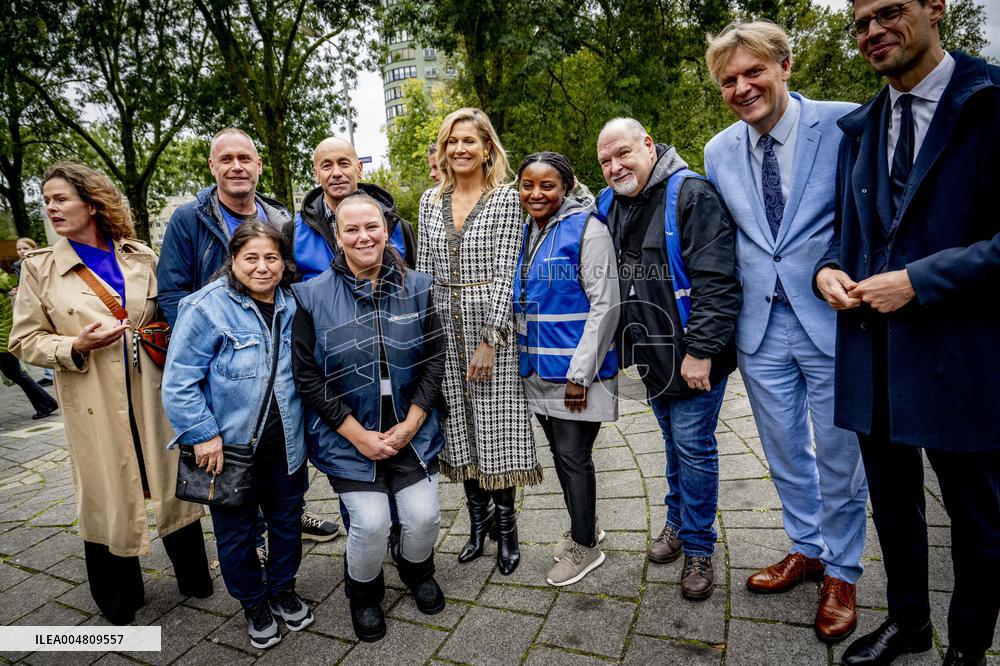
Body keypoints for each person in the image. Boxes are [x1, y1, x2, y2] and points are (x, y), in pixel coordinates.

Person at [814, 0, 1000, 663]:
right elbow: (844, 238)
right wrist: (827, 273)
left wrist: (923, 280)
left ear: (935, 8)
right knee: (893, 508)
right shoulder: (859, 127)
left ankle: (968, 649)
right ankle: (909, 624)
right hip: (872, 354)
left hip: (962, 354)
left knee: (978, 520)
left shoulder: (991, 100)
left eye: (889, 12)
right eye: (861, 23)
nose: (872, 32)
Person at [703, 21, 867, 642]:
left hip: (832, 317)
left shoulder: (845, 123)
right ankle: (807, 548)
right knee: (783, 453)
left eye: (753, 72)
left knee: (840, 456)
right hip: (760, 326)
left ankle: (844, 571)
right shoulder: (720, 151)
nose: (743, 88)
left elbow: (870, 212)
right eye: (729, 80)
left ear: (784, 66)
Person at [9, 162, 212, 625]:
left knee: (169, 477)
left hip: (153, 389)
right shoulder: (40, 269)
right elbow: (24, 340)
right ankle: (119, 596)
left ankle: (193, 576)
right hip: (94, 398)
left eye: (61, 198)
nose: (50, 208)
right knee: (107, 489)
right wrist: (74, 345)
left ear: (92, 203)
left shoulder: (139, 255)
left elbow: (170, 310)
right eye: (46, 200)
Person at [157, 126, 339, 544]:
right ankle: (250, 537)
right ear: (212, 166)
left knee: (282, 445)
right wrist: (193, 341)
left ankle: (292, 515)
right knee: (233, 453)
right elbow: (172, 290)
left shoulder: (278, 219)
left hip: (274, 346)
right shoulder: (190, 219)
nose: (236, 167)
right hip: (222, 354)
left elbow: (289, 279)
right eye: (226, 159)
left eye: (244, 159)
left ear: (258, 165)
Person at [292, 193, 447, 642]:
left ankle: (417, 569)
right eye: (352, 230)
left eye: (372, 227)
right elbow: (307, 376)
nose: (364, 237)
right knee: (372, 523)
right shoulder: (309, 295)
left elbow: (436, 358)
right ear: (337, 238)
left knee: (423, 518)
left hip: (410, 430)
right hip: (347, 435)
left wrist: (415, 421)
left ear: (387, 230)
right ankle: (364, 594)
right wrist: (358, 437)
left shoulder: (419, 286)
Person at [596, 118, 740, 600]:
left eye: (623, 153)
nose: (615, 167)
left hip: (694, 358)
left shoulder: (691, 194)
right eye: (605, 161)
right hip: (652, 360)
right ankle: (677, 524)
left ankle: (700, 547)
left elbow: (717, 282)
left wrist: (701, 352)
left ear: (649, 145)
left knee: (695, 448)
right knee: (675, 445)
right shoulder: (612, 204)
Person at [163, 221, 312, 650]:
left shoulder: (293, 304)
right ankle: (253, 603)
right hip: (227, 450)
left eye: (272, 258)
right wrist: (202, 434)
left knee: (286, 525)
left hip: (285, 446)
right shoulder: (205, 307)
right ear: (232, 261)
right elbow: (179, 382)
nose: (262, 267)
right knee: (237, 532)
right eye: (251, 258)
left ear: (284, 263)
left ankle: (283, 590)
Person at [418, 107, 540, 576]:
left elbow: (511, 274)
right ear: (444, 149)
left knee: (496, 428)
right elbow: (425, 272)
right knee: (458, 432)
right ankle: (477, 526)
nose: (460, 149)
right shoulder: (431, 200)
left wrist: (491, 338)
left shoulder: (507, 200)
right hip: (444, 330)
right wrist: (427, 336)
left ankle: (507, 530)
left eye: (469, 140)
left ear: (487, 147)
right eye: (452, 141)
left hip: (493, 329)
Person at [513, 152, 620, 586]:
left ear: (568, 186)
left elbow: (606, 304)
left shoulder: (588, 228)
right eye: (527, 185)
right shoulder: (526, 231)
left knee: (574, 457)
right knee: (562, 456)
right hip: (536, 370)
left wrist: (580, 375)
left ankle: (585, 548)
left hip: (576, 375)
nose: (536, 194)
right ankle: (585, 526)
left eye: (547, 185)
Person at [291, 136, 416, 280]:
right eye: (327, 166)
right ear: (316, 174)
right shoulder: (296, 231)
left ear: (360, 169)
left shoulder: (397, 227)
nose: (337, 173)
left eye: (344, 164)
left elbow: (413, 286)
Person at [1, 269, 58, 418]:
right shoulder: (2, 282)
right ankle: (46, 404)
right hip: (5, 338)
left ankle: (46, 404)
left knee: (16, 374)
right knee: (16, 374)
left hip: (2, 341)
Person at [12, 237, 54, 386]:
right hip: (29, 304)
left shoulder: (44, 262)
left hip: (46, 303)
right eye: (19, 249)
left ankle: (51, 374)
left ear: (34, 248)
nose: (22, 251)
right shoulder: (18, 265)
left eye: (25, 248)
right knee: (37, 335)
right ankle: (49, 374)